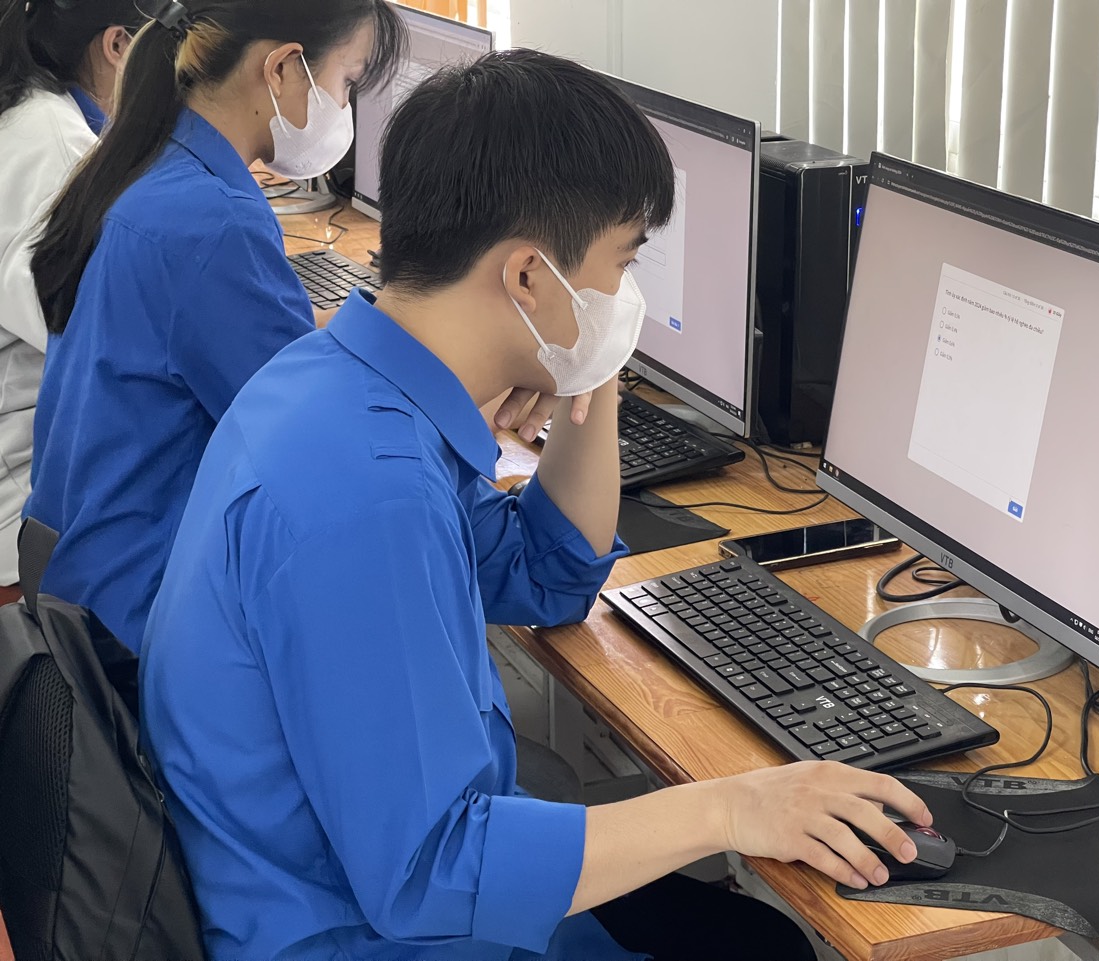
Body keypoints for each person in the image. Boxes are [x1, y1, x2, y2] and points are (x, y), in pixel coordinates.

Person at [139, 49, 934, 961]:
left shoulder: (343, 388)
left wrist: (591, 379)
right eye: (621, 265)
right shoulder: (364, 491)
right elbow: (428, 873)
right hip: (366, 933)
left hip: (345, 882)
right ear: (527, 278)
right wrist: (730, 806)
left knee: (746, 932)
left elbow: (547, 575)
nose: (624, 297)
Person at [23, 0, 405, 651]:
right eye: (347, 82)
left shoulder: (148, 164)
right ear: (284, 67)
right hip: (140, 622)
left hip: (79, 583)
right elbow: (325, 448)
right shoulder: (212, 220)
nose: (345, 108)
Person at [0, 0, 143, 604]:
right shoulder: (59, 150)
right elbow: (108, 345)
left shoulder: (28, 112)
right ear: (116, 46)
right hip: (22, 522)